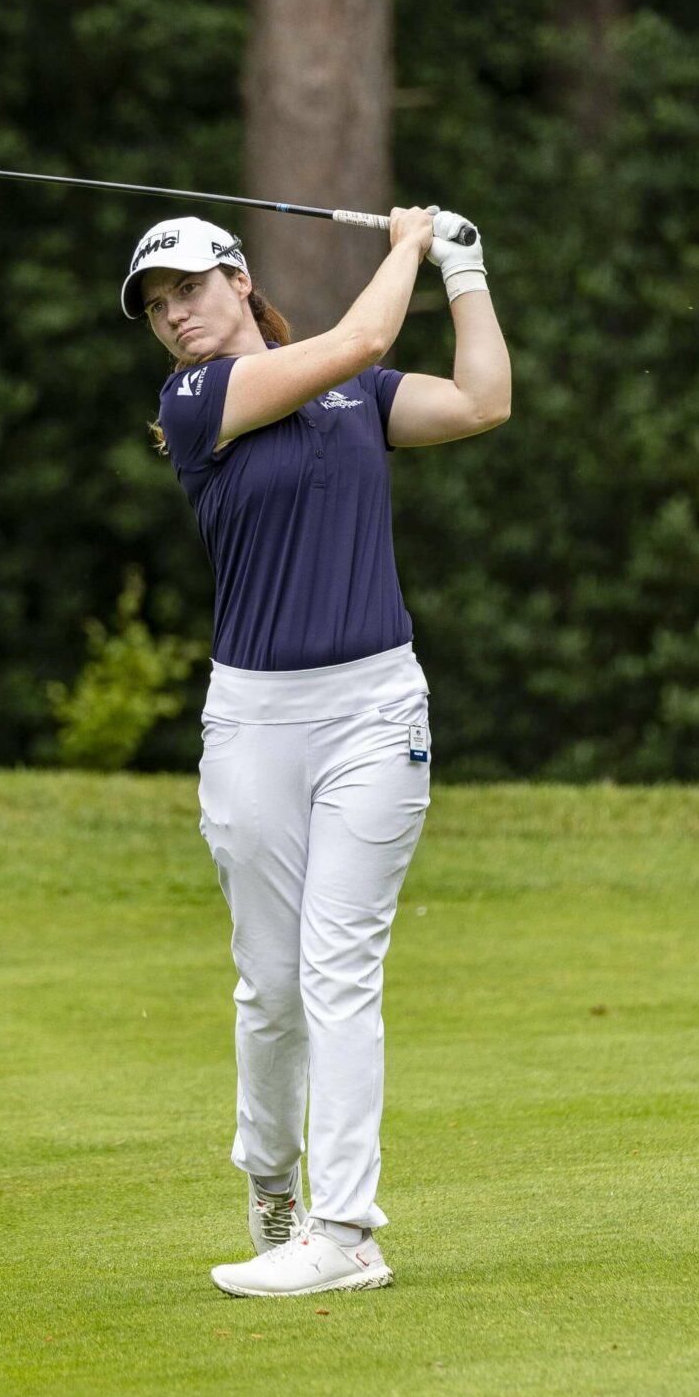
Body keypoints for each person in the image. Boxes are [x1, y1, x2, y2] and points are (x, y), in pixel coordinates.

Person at [124, 206, 511, 1297]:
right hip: (252, 721)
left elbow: (484, 400)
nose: (175, 316)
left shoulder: (355, 403)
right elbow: (359, 341)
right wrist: (404, 246)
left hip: (376, 711)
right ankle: (270, 1185)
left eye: (189, 289)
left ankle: (343, 1235)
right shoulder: (194, 402)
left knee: (340, 967)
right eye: (156, 307)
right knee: (271, 987)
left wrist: (462, 268)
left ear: (238, 281)